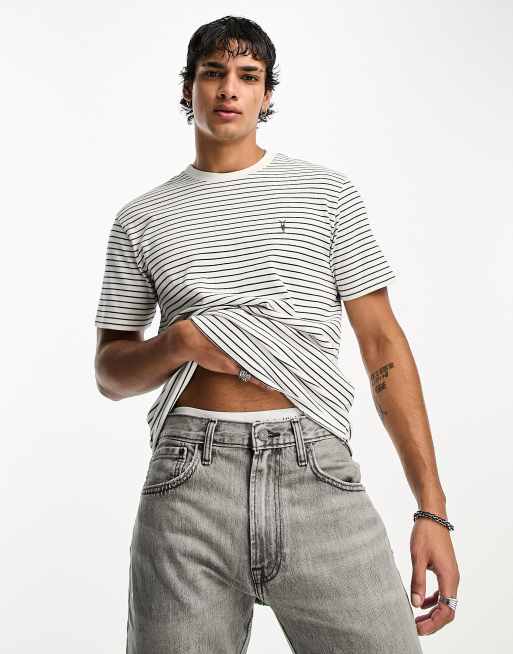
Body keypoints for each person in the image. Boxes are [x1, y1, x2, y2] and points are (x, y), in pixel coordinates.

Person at [94, 15, 459, 654]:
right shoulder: (142, 217)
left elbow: (382, 344)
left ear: (266, 94)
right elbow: (109, 373)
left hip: (314, 467)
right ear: (187, 88)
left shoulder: (326, 194)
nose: (228, 89)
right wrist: (179, 343)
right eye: (213, 73)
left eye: (247, 76)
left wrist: (432, 509)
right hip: (188, 483)